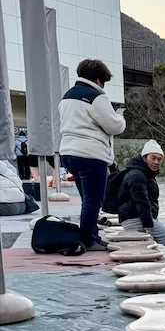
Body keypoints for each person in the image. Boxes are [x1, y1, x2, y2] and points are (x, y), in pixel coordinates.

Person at [58, 59, 126, 250]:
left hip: (68, 153)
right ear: (98, 79)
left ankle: (90, 235)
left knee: (87, 199)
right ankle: (88, 239)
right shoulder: (96, 97)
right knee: (93, 200)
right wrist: (121, 117)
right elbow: (114, 126)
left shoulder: (67, 97)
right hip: (90, 154)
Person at [116, 140, 165, 262]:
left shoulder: (144, 173)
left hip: (137, 217)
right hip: (135, 219)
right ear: (145, 158)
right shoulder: (137, 175)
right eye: (153, 158)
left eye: (159, 159)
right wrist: (149, 227)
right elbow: (142, 203)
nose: (156, 162)